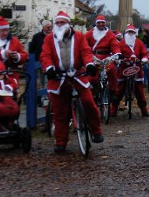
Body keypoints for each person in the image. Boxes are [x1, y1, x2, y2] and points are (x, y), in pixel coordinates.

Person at [40, 11, 104, 153]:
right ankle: (61, 141)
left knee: (88, 102)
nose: (59, 25)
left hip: (77, 74)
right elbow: (45, 55)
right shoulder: (49, 39)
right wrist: (49, 68)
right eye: (57, 23)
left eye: (62, 22)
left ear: (69, 24)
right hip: (59, 77)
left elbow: (86, 52)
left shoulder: (79, 37)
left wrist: (89, 64)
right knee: (60, 110)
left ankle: (96, 130)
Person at [84, 15, 121, 115]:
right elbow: (84, 45)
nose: (101, 24)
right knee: (92, 76)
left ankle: (112, 92)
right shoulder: (89, 34)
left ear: (105, 23)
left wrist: (117, 53)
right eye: (99, 22)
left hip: (106, 57)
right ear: (96, 23)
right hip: (94, 57)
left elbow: (114, 45)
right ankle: (95, 92)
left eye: (102, 22)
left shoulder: (109, 34)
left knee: (112, 70)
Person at [115, 24, 149, 117]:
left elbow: (144, 53)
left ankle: (144, 109)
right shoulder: (122, 43)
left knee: (139, 90)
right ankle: (113, 108)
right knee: (119, 89)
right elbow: (117, 52)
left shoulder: (139, 42)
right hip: (124, 67)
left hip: (136, 67)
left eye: (132, 32)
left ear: (135, 33)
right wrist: (118, 58)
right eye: (129, 32)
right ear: (126, 33)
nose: (131, 34)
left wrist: (144, 59)